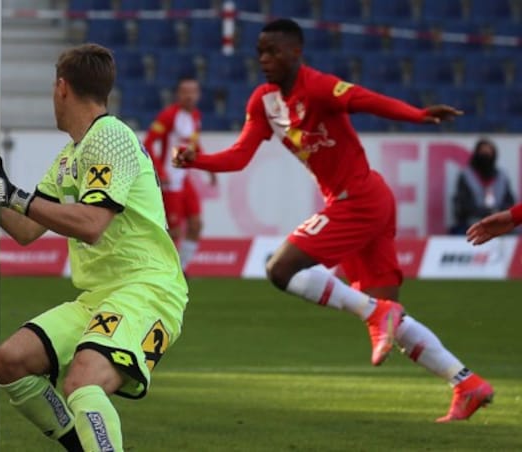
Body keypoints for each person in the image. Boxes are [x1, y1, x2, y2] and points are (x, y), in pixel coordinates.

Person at [173, 18, 493, 422]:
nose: (265, 59)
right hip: (364, 203)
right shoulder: (264, 102)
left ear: (296, 52)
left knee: (281, 268)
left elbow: (366, 99)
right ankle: (465, 383)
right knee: (391, 315)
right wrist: (195, 160)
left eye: (273, 51)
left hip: (359, 200)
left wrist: (417, 114)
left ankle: (377, 314)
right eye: (260, 52)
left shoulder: (319, 86)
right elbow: (239, 155)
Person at [0, 43, 188, 451]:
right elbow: (27, 228)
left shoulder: (111, 138)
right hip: (98, 298)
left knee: (82, 382)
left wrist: (10, 192)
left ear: (62, 88)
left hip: (147, 291)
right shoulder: (72, 154)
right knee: (10, 361)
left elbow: (91, 225)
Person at [143, 77, 217, 271]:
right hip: (170, 181)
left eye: (193, 91)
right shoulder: (169, 116)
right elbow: (149, 143)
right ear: (178, 94)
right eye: (185, 91)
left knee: (196, 225)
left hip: (184, 179)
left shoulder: (195, 116)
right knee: (173, 231)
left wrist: (208, 166)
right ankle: (158, 270)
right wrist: (160, 171)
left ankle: (180, 270)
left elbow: (194, 145)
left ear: (199, 95)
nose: (189, 96)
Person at [450, 138, 516, 234]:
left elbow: (509, 202)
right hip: (472, 223)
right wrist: (483, 213)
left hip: (498, 222)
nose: (486, 157)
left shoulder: (502, 177)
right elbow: (461, 204)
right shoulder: (466, 176)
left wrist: (496, 213)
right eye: (483, 153)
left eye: (489, 153)